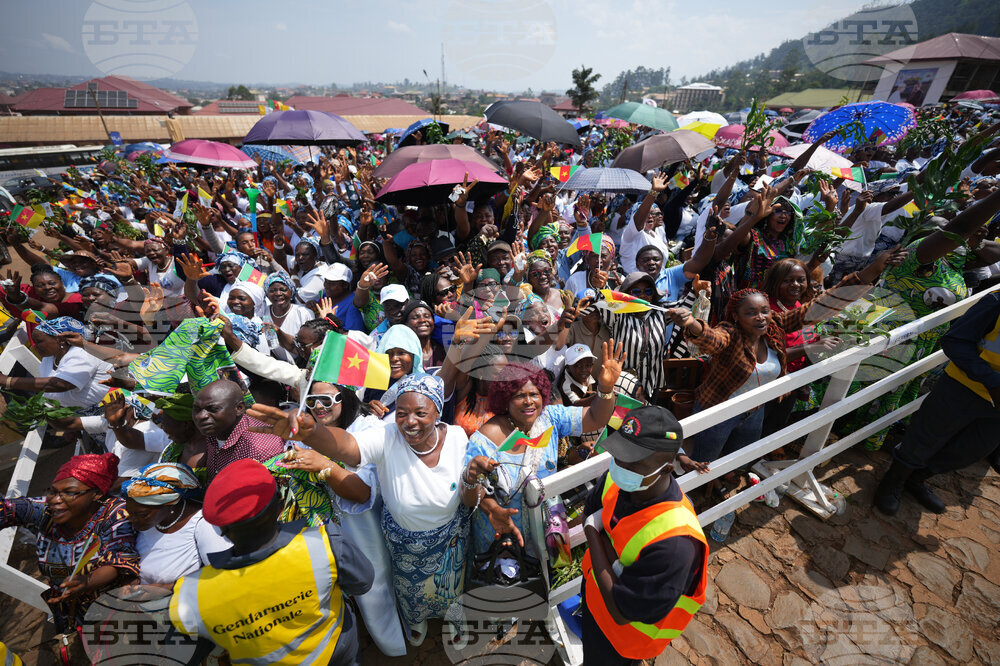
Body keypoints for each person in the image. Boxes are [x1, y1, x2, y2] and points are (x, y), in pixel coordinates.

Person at [247, 373, 475, 648]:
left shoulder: (458, 437)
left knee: (452, 584)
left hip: (451, 538)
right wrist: (311, 433)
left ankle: (454, 617)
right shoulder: (387, 436)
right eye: (401, 413)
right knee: (410, 590)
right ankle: (416, 619)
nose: (409, 421)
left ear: (438, 411)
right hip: (404, 544)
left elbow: (468, 485)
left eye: (420, 413)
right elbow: (349, 447)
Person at [169, 458, 374, 665]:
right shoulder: (326, 543)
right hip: (337, 654)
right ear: (280, 504)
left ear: (221, 529)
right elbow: (362, 583)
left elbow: (182, 651)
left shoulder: (192, 593)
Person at [464, 343, 625, 557]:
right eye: (519, 396)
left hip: (543, 538)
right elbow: (469, 497)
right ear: (505, 399)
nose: (529, 402)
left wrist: (605, 388)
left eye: (534, 394)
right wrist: (493, 508)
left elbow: (596, 418)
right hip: (500, 540)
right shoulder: (483, 440)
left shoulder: (550, 418)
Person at [580, 406, 707, 665]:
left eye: (635, 461)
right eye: (619, 454)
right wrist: (612, 561)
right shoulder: (619, 479)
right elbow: (588, 509)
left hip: (622, 643)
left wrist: (594, 531)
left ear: (667, 468)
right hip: (593, 605)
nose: (620, 465)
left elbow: (620, 610)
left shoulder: (677, 544)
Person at [874, 291, 1000, 516]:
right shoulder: (996, 302)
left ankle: (916, 478)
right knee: (926, 437)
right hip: (964, 387)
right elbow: (955, 341)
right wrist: (992, 382)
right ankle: (894, 480)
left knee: (971, 450)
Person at [0, 453, 139, 632]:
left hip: (111, 606)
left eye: (69, 493)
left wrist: (86, 582)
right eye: (54, 491)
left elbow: (118, 560)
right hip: (69, 606)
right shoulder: (47, 511)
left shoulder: (116, 515)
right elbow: (11, 509)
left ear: (96, 494)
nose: (56, 500)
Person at [122, 462, 230, 586]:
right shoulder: (144, 525)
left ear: (170, 505)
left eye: (142, 515)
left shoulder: (203, 525)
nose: (131, 519)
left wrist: (167, 588)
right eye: (129, 512)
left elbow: (221, 575)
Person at [0, 317, 111, 415]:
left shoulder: (82, 353)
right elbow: (52, 392)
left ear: (61, 340)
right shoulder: (49, 359)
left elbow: (61, 384)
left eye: (39, 342)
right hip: (87, 417)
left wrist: (8, 381)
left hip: (111, 411)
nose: (35, 346)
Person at [191, 379, 285, 478]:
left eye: (213, 409)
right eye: (197, 409)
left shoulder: (259, 449)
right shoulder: (214, 431)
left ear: (239, 408)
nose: (201, 416)